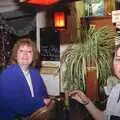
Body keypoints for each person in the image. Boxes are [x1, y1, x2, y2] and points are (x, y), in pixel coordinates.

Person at [0, 38, 52, 120]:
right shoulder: (8, 74)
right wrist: (42, 102)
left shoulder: (35, 72)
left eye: (29, 51)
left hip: (34, 115)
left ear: (33, 56)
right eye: (21, 51)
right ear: (16, 55)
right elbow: (20, 106)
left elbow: (44, 94)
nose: (25, 54)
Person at [69, 44, 120, 120]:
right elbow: (105, 118)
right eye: (118, 59)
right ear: (112, 63)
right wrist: (87, 102)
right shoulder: (116, 90)